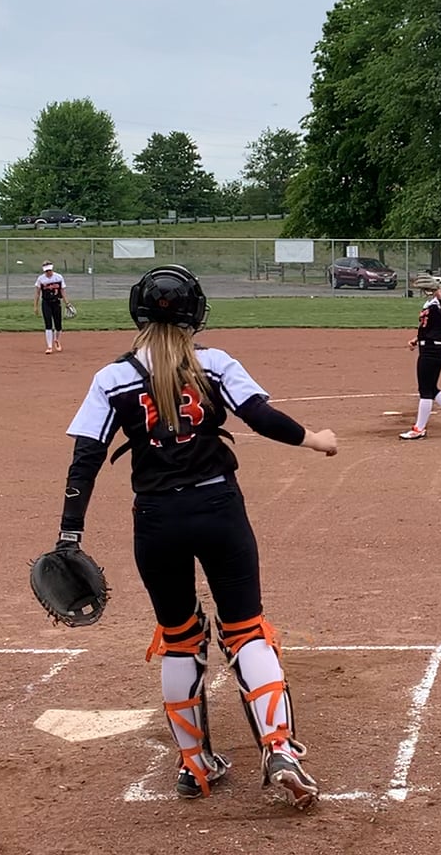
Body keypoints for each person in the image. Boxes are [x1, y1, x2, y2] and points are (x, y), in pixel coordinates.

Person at [57, 266, 338, 807]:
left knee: (180, 637)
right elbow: (261, 417)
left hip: (156, 519)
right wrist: (315, 439)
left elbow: (85, 458)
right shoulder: (214, 363)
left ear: (137, 310)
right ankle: (279, 748)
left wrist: (70, 534)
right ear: (197, 312)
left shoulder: (111, 378)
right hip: (217, 508)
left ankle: (195, 764)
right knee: (246, 629)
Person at [402, 274, 441, 440]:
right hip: (430, 348)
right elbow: (429, 327)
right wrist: (416, 339)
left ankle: (419, 429)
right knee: (432, 388)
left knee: (425, 391)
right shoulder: (429, 304)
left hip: (432, 351)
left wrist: (438, 291)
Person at [34, 261, 71, 354]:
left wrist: (67, 303)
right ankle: (49, 346)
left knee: (58, 325)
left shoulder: (58, 277)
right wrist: (36, 306)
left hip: (56, 302)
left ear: (52, 269)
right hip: (46, 303)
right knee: (48, 324)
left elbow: (62, 291)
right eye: (46, 271)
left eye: (49, 270)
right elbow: (37, 293)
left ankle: (57, 340)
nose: (48, 272)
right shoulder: (41, 279)